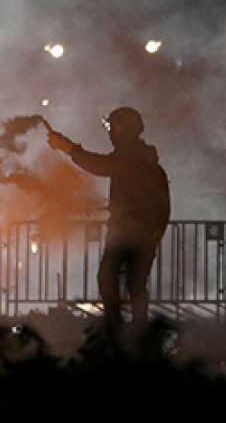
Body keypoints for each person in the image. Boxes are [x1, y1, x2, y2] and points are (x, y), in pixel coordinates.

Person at [47, 107, 170, 337]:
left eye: (114, 127)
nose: (111, 133)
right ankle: (135, 332)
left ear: (125, 130)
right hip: (141, 235)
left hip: (128, 234)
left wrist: (69, 148)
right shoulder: (147, 162)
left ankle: (117, 330)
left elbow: (100, 165)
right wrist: (154, 234)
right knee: (134, 284)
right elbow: (162, 205)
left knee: (110, 278)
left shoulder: (131, 158)